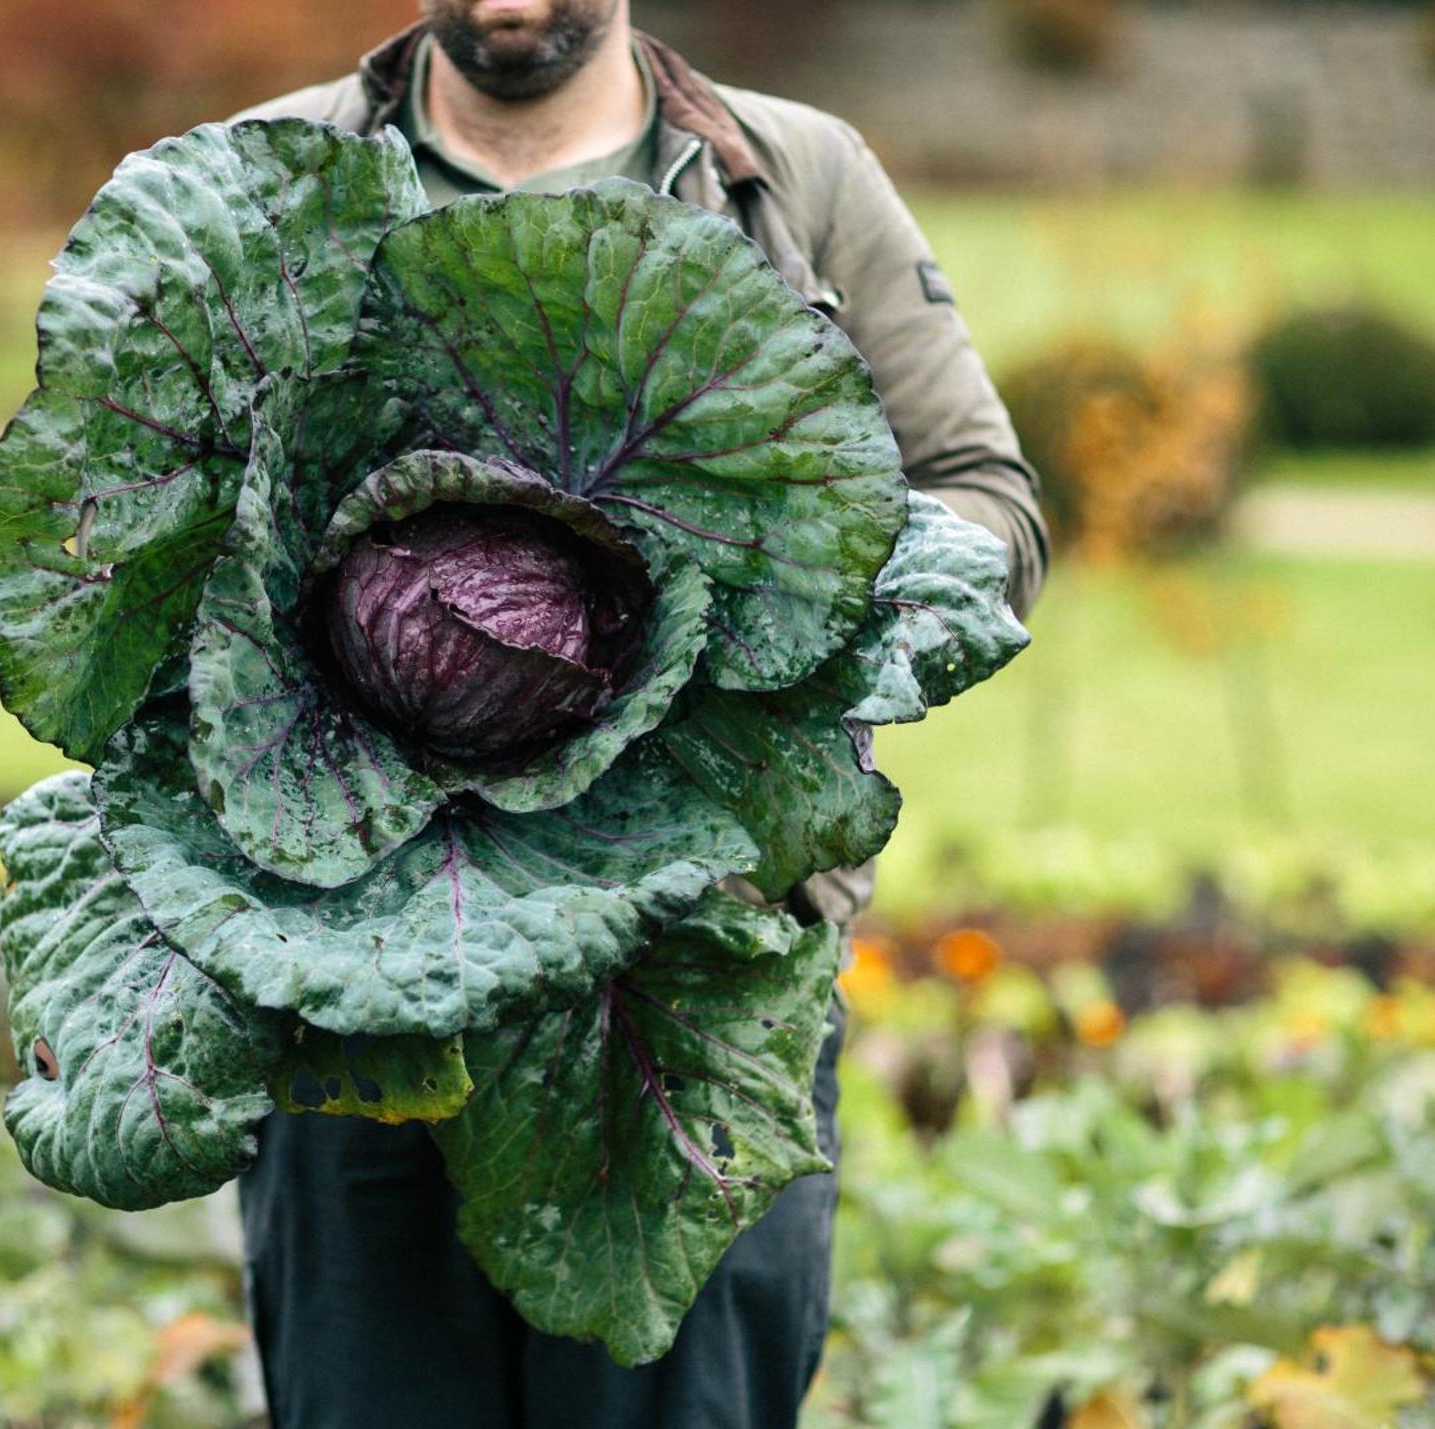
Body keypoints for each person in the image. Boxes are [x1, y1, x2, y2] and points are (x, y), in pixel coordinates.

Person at [229, 3, 1050, 1425]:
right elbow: (151, 543)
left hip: (688, 989)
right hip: (350, 1002)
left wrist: (762, 619)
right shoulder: (272, 177)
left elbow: (986, 506)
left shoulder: (792, 179)